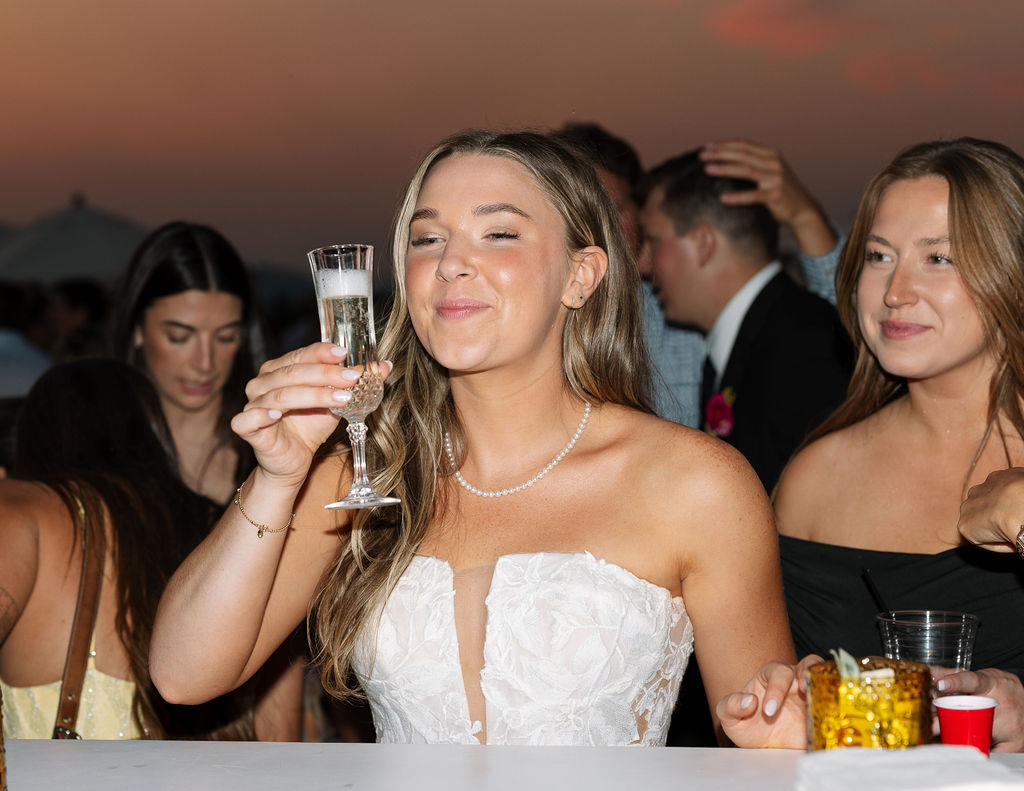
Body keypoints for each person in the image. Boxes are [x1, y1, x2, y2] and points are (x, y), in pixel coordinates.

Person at [150, 130, 796, 747]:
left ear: (582, 275)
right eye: (427, 239)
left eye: (498, 233)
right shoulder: (365, 474)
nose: (452, 263)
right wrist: (277, 477)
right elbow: (184, 674)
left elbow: (765, 733)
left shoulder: (696, 483)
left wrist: (786, 731)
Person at [730, 137, 1024, 752]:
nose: (895, 291)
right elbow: (775, 701)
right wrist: (790, 698)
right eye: (878, 256)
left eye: (938, 259)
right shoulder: (819, 474)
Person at [0, 358, 301, 739]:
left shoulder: (21, 508)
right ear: (155, 434)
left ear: (32, 437)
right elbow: (279, 737)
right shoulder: (233, 538)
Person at [553, 124, 844, 429]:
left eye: (609, 210)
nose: (593, 229)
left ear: (641, 216)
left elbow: (839, 339)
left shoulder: (685, 313)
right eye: (572, 213)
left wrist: (806, 218)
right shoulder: (520, 320)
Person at [641, 149, 852, 494]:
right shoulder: (759, 336)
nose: (645, 265)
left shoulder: (803, 345)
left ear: (703, 243)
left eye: (653, 241)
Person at [109, 221, 266, 506]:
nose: (205, 363)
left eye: (226, 337)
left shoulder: (269, 448)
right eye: (179, 337)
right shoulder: (100, 445)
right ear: (137, 329)